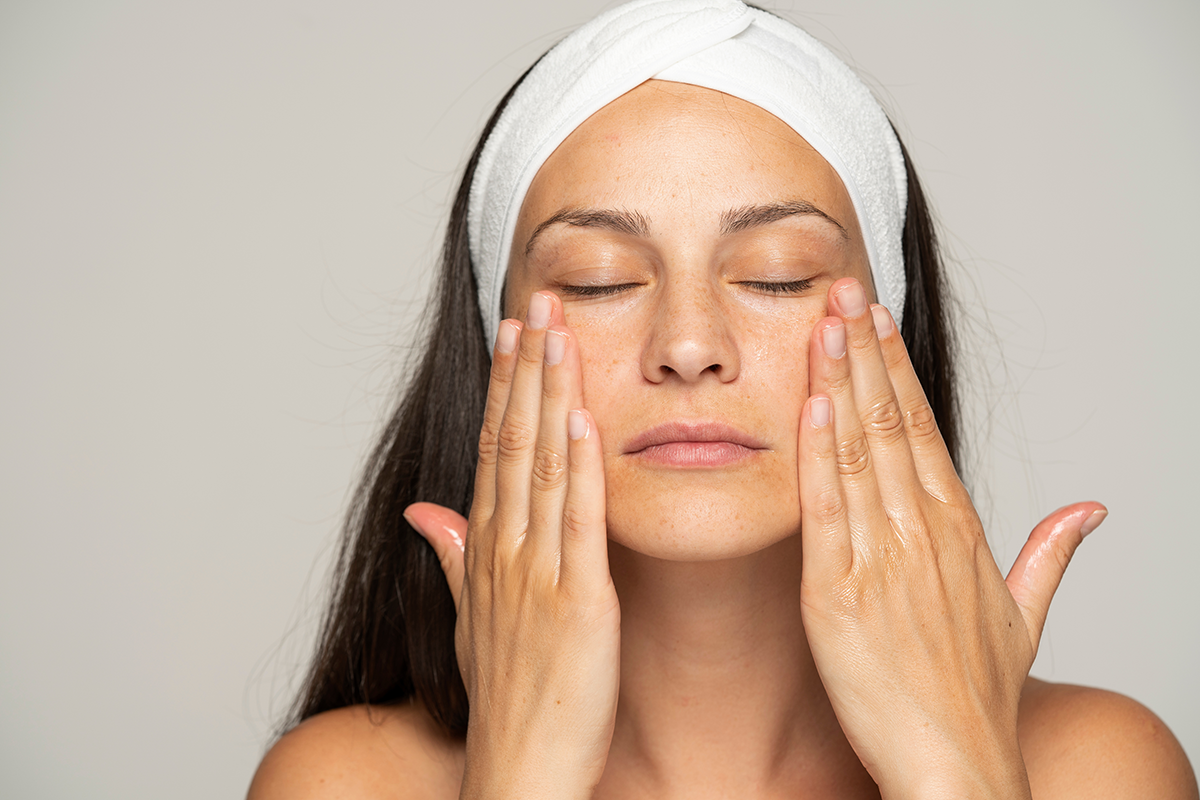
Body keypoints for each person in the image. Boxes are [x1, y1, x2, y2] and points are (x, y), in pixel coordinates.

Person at [248, 1, 1198, 797]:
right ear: (490, 348)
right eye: (597, 279)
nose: (690, 346)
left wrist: (958, 772)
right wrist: (519, 777)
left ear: (892, 327)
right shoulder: (346, 781)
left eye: (779, 277)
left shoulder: (1097, 770)